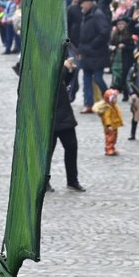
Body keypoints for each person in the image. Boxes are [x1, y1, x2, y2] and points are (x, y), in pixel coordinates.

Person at [50, 58, 85, 191]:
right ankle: (43, 181)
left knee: (71, 147)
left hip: (64, 115)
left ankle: (72, 180)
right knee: (47, 153)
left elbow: (64, 83)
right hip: (50, 117)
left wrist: (70, 71)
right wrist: (64, 68)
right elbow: (52, 80)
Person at [77, 0, 111, 114]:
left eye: (83, 4)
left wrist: (93, 45)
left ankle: (109, 98)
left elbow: (105, 31)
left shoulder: (97, 15)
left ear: (89, 3)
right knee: (86, 78)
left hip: (96, 53)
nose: (82, 6)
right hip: (87, 53)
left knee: (97, 78)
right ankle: (88, 103)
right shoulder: (87, 15)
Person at [93, 89, 123, 156]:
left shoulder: (113, 106)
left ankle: (112, 148)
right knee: (110, 138)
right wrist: (108, 125)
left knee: (114, 138)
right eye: (114, 98)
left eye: (116, 98)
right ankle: (109, 149)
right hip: (110, 126)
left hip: (114, 125)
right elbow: (107, 118)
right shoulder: (108, 108)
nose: (115, 100)